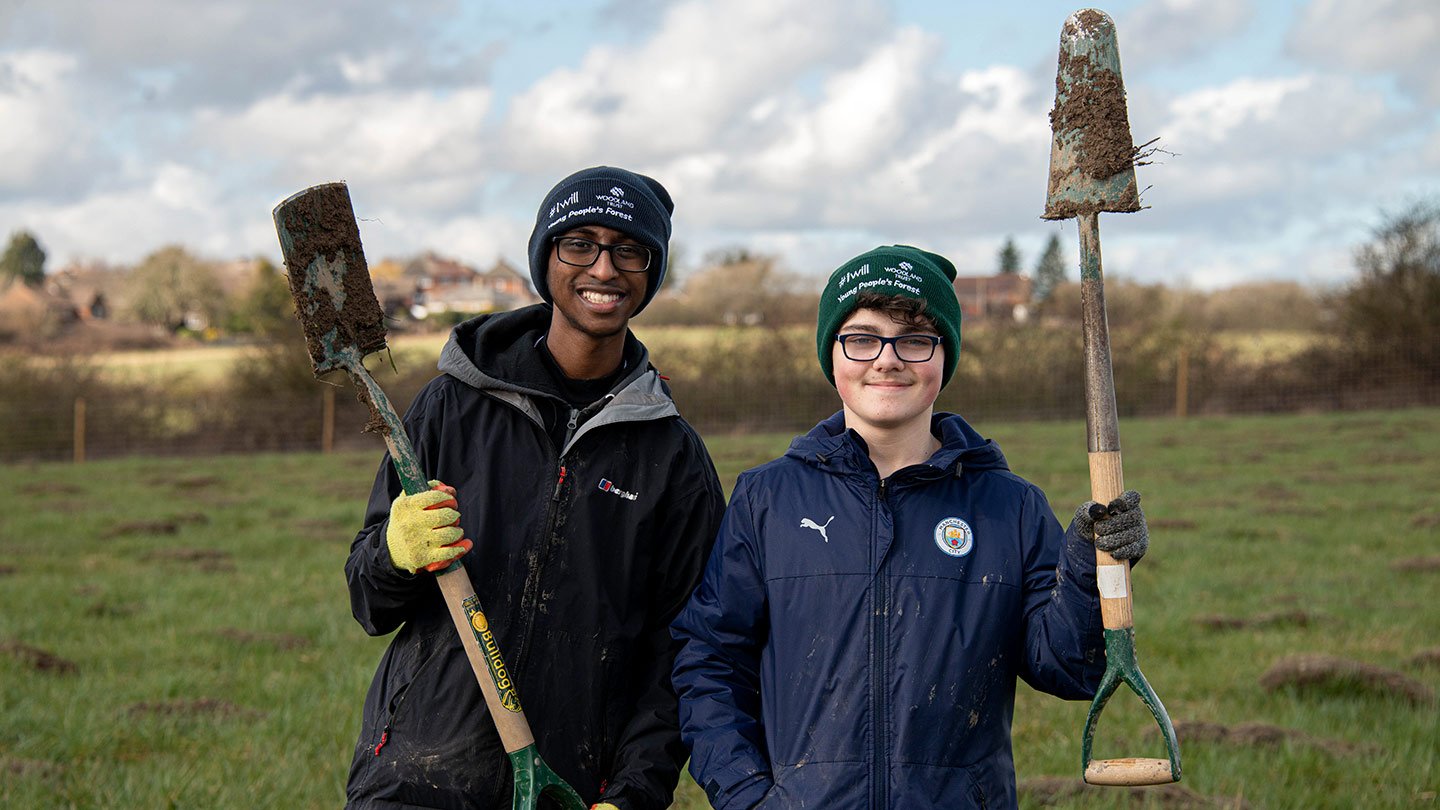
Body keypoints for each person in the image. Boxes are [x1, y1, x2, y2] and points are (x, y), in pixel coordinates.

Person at [670, 245, 1150, 810]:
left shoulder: (1009, 507)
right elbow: (710, 659)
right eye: (863, 338)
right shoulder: (766, 499)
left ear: (944, 356)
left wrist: (1088, 570)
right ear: (833, 352)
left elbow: (1070, 669)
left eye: (915, 339)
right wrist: (745, 795)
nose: (887, 359)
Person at [344, 166, 726, 810]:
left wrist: (634, 793)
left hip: (567, 792)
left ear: (650, 275)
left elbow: (681, 653)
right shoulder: (449, 408)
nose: (603, 269)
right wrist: (395, 552)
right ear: (545, 258)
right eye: (579, 244)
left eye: (629, 250)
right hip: (415, 780)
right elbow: (368, 602)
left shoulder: (673, 458)